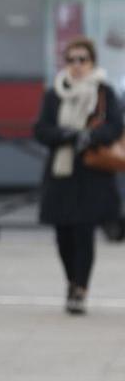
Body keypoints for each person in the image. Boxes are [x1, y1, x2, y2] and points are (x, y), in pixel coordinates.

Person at [34, 36, 123, 315]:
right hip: (61, 175)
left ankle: (80, 289)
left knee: (84, 234)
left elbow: (115, 126)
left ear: (92, 61)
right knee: (63, 236)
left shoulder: (104, 92)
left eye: (82, 59)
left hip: (92, 175)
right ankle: (71, 280)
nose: (77, 65)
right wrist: (67, 134)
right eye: (71, 59)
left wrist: (90, 137)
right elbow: (41, 129)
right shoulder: (55, 93)